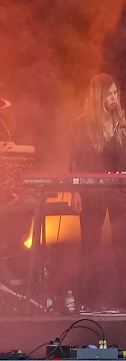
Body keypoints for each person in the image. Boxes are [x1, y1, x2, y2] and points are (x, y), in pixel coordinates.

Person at [70, 73, 126, 311]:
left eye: (116, 93)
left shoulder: (122, 121)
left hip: (119, 189)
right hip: (91, 189)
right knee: (90, 244)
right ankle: (86, 300)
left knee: (121, 243)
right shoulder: (82, 124)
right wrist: (75, 191)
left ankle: (122, 301)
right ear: (98, 96)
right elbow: (74, 160)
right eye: (109, 94)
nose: (114, 98)